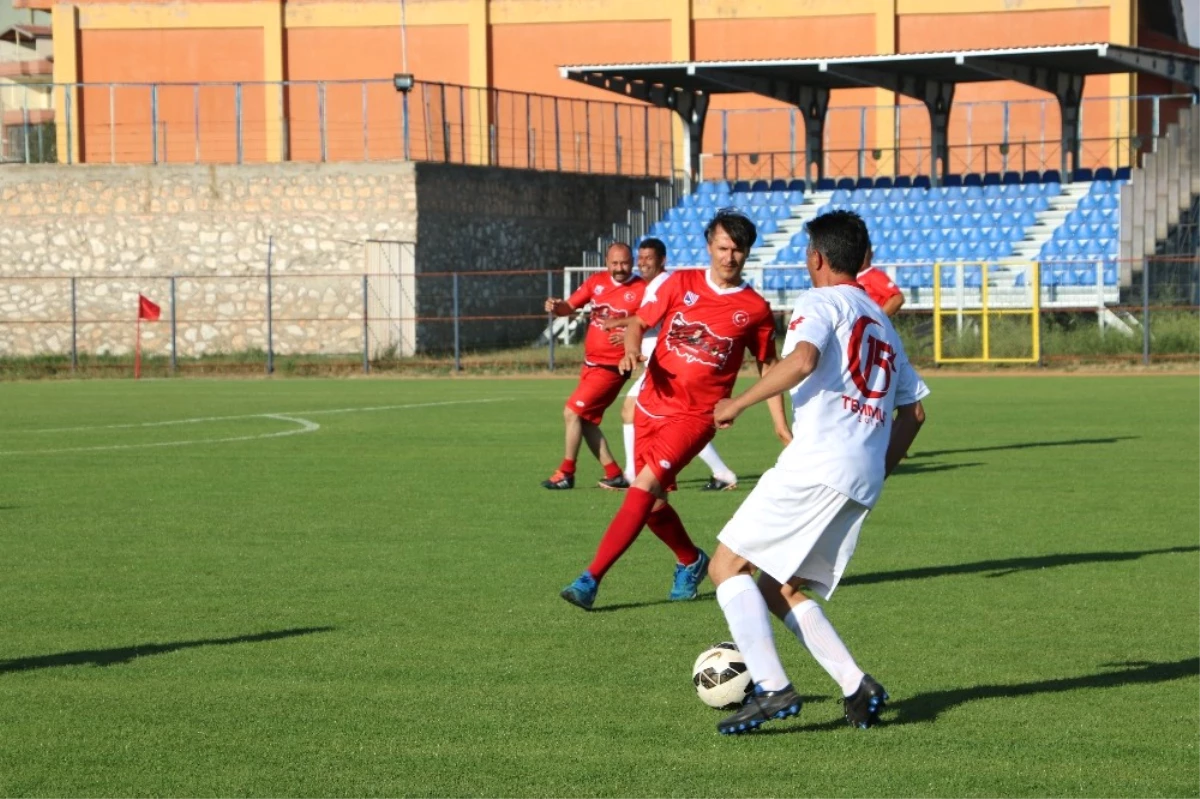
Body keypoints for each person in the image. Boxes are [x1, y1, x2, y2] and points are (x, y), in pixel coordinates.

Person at [706, 210, 929, 735]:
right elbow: (914, 412)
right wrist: (876, 466)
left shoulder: (819, 301)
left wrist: (737, 403)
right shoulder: (880, 320)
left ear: (817, 258)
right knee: (777, 587)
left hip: (817, 463)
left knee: (726, 567)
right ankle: (856, 685)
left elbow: (802, 360)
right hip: (860, 477)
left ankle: (772, 687)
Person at [560, 209, 792, 611]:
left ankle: (591, 578)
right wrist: (632, 349)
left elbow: (768, 366)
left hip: (697, 417)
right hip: (651, 404)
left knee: (642, 488)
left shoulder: (754, 308)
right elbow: (637, 322)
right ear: (709, 246)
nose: (729, 257)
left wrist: (780, 426)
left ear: (748, 252)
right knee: (651, 503)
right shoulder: (678, 283)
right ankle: (690, 559)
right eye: (723, 247)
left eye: (738, 250)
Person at [604, 238, 741, 492]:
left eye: (649, 258)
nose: (643, 262)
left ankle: (635, 474)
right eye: (641, 257)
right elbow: (652, 322)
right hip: (658, 365)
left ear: (662, 260)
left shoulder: (665, 284)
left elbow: (664, 320)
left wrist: (623, 326)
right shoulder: (653, 286)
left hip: (666, 364)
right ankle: (719, 472)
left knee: (666, 420)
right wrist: (630, 334)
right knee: (648, 416)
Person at [542, 243, 645, 491]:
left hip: (612, 366)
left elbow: (650, 321)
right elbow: (569, 307)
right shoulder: (596, 282)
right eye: (615, 263)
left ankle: (566, 472)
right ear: (606, 263)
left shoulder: (642, 288)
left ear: (632, 262)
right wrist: (557, 307)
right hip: (590, 364)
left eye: (625, 263)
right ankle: (614, 473)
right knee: (586, 420)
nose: (620, 268)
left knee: (572, 413)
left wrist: (631, 335)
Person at [856, 244, 904, 317]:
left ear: (870, 255)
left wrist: (879, 318)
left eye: (863, 254)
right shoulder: (853, 277)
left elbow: (897, 298)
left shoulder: (874, 276)